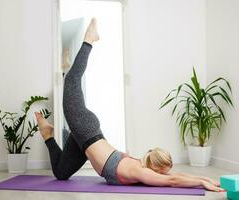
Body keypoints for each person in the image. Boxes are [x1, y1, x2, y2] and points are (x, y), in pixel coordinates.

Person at [35, 18, 224, 192]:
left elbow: (175, 177)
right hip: (86, 130)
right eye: (166, 169)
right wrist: (201, 182)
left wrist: (204, 178)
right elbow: (173, 181)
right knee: (71, 82)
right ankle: (89, 40)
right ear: (157, 168)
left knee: (61, 172)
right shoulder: (140, 171)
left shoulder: (143, 168)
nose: (168, 173)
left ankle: (48, 134)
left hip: (85, 139)